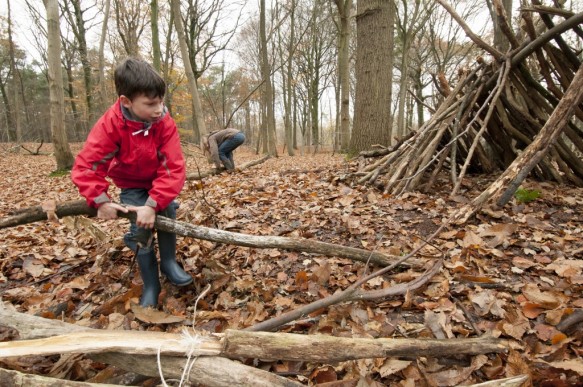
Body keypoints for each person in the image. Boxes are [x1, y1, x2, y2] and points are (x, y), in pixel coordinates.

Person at [71, 57, 192, 309]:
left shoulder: (164, 122)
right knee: (140, 230)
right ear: (126, 101)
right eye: (150, 104)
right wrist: (100, 200)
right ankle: (151, 284)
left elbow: (173, 167)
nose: (158, 109)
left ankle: (169, 262)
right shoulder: (111, 124)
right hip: (131, 184)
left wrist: (155, 202)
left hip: (159, 180)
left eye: (161, 101)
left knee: (166, 212)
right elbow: (87, 166)